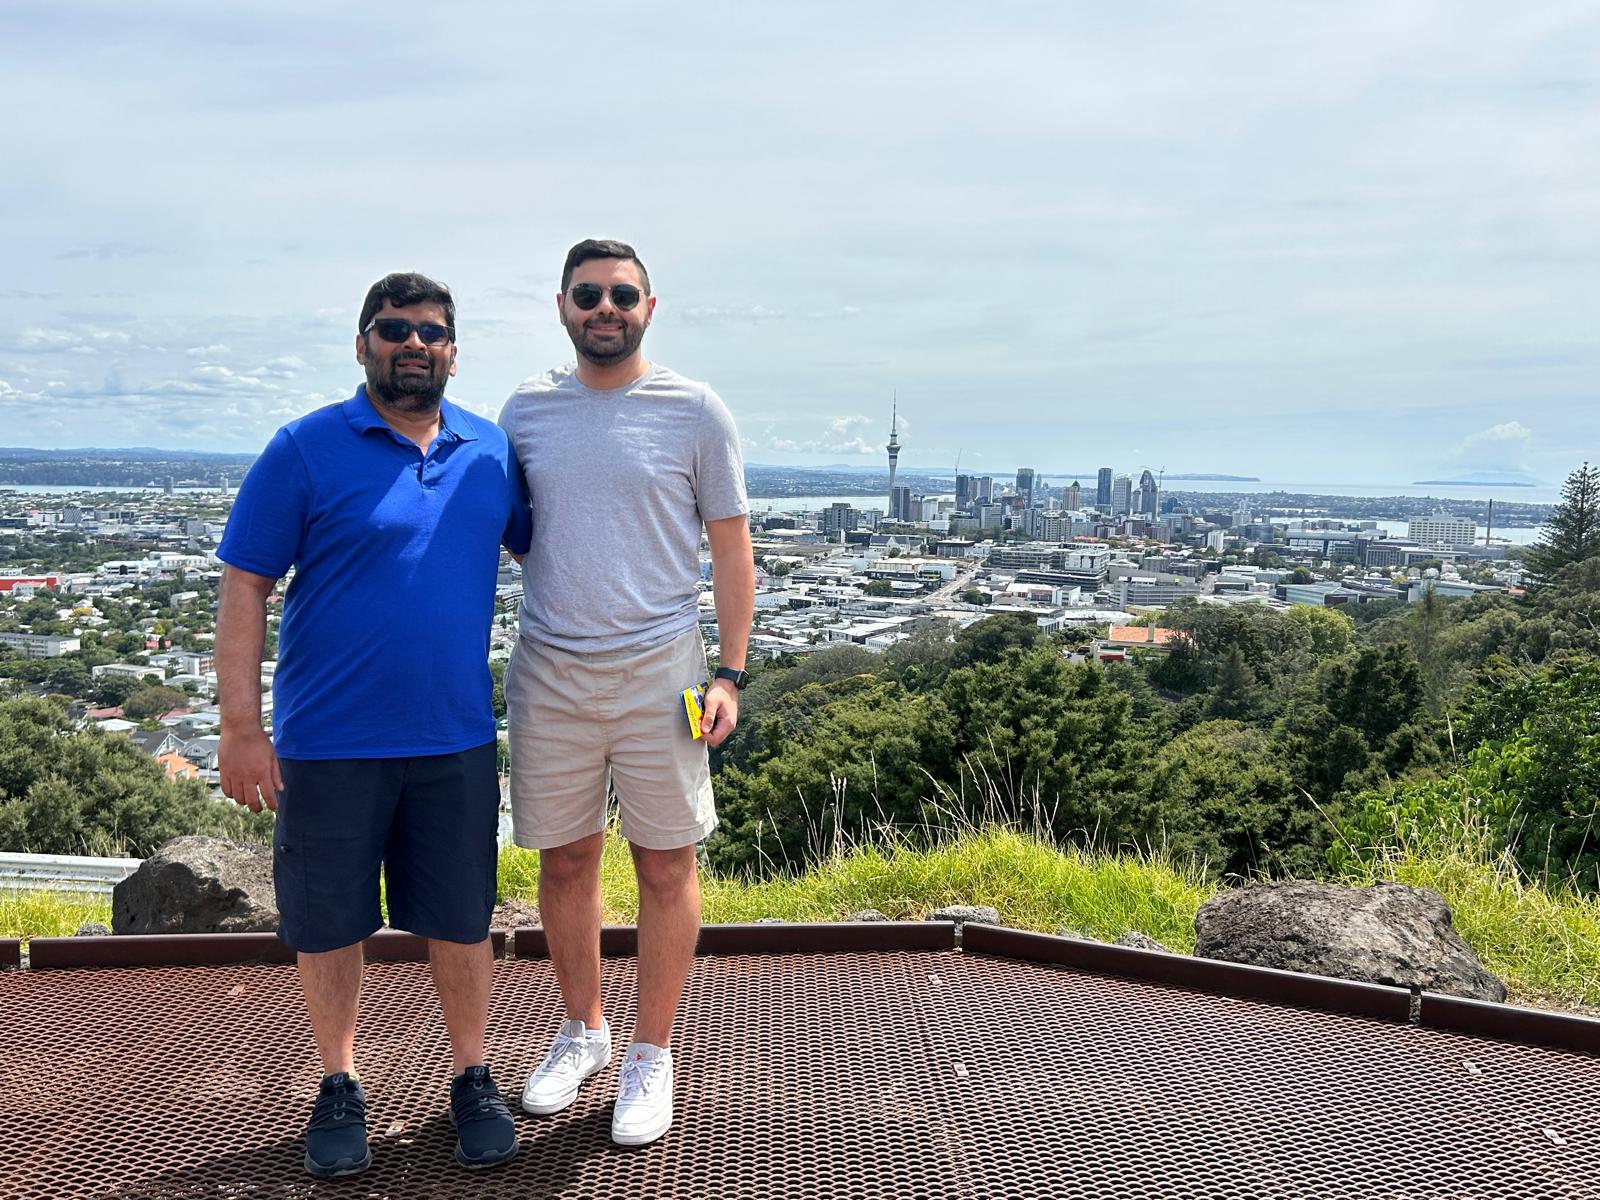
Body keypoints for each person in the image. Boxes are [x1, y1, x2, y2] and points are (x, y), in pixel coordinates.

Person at [215, 272, 530, 1178]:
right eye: (393, 329)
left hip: (455, 736)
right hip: (329, 741)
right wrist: (241, 727)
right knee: (329, 923)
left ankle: (472, 1075)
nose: (413, 343)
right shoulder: (304, 448)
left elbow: (554, 547)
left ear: (453, 353)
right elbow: (244, 585)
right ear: (362, 346)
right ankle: (339, 1080)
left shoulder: (489, 452)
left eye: (431, 331)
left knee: (461, 919)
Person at [498, 238, 755, 1146]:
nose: (603, 309)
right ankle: (584, 1029)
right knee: (564, 860)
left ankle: (652, 1051)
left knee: (666, 861)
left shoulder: (695, 410)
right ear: (561, 307)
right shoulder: (525, 410)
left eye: (620, 295)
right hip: (550, 667)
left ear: (649, 306)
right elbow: (510, 527)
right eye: (587, 295)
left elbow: (731, 548)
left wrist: (730, 673)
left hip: (663, 668)